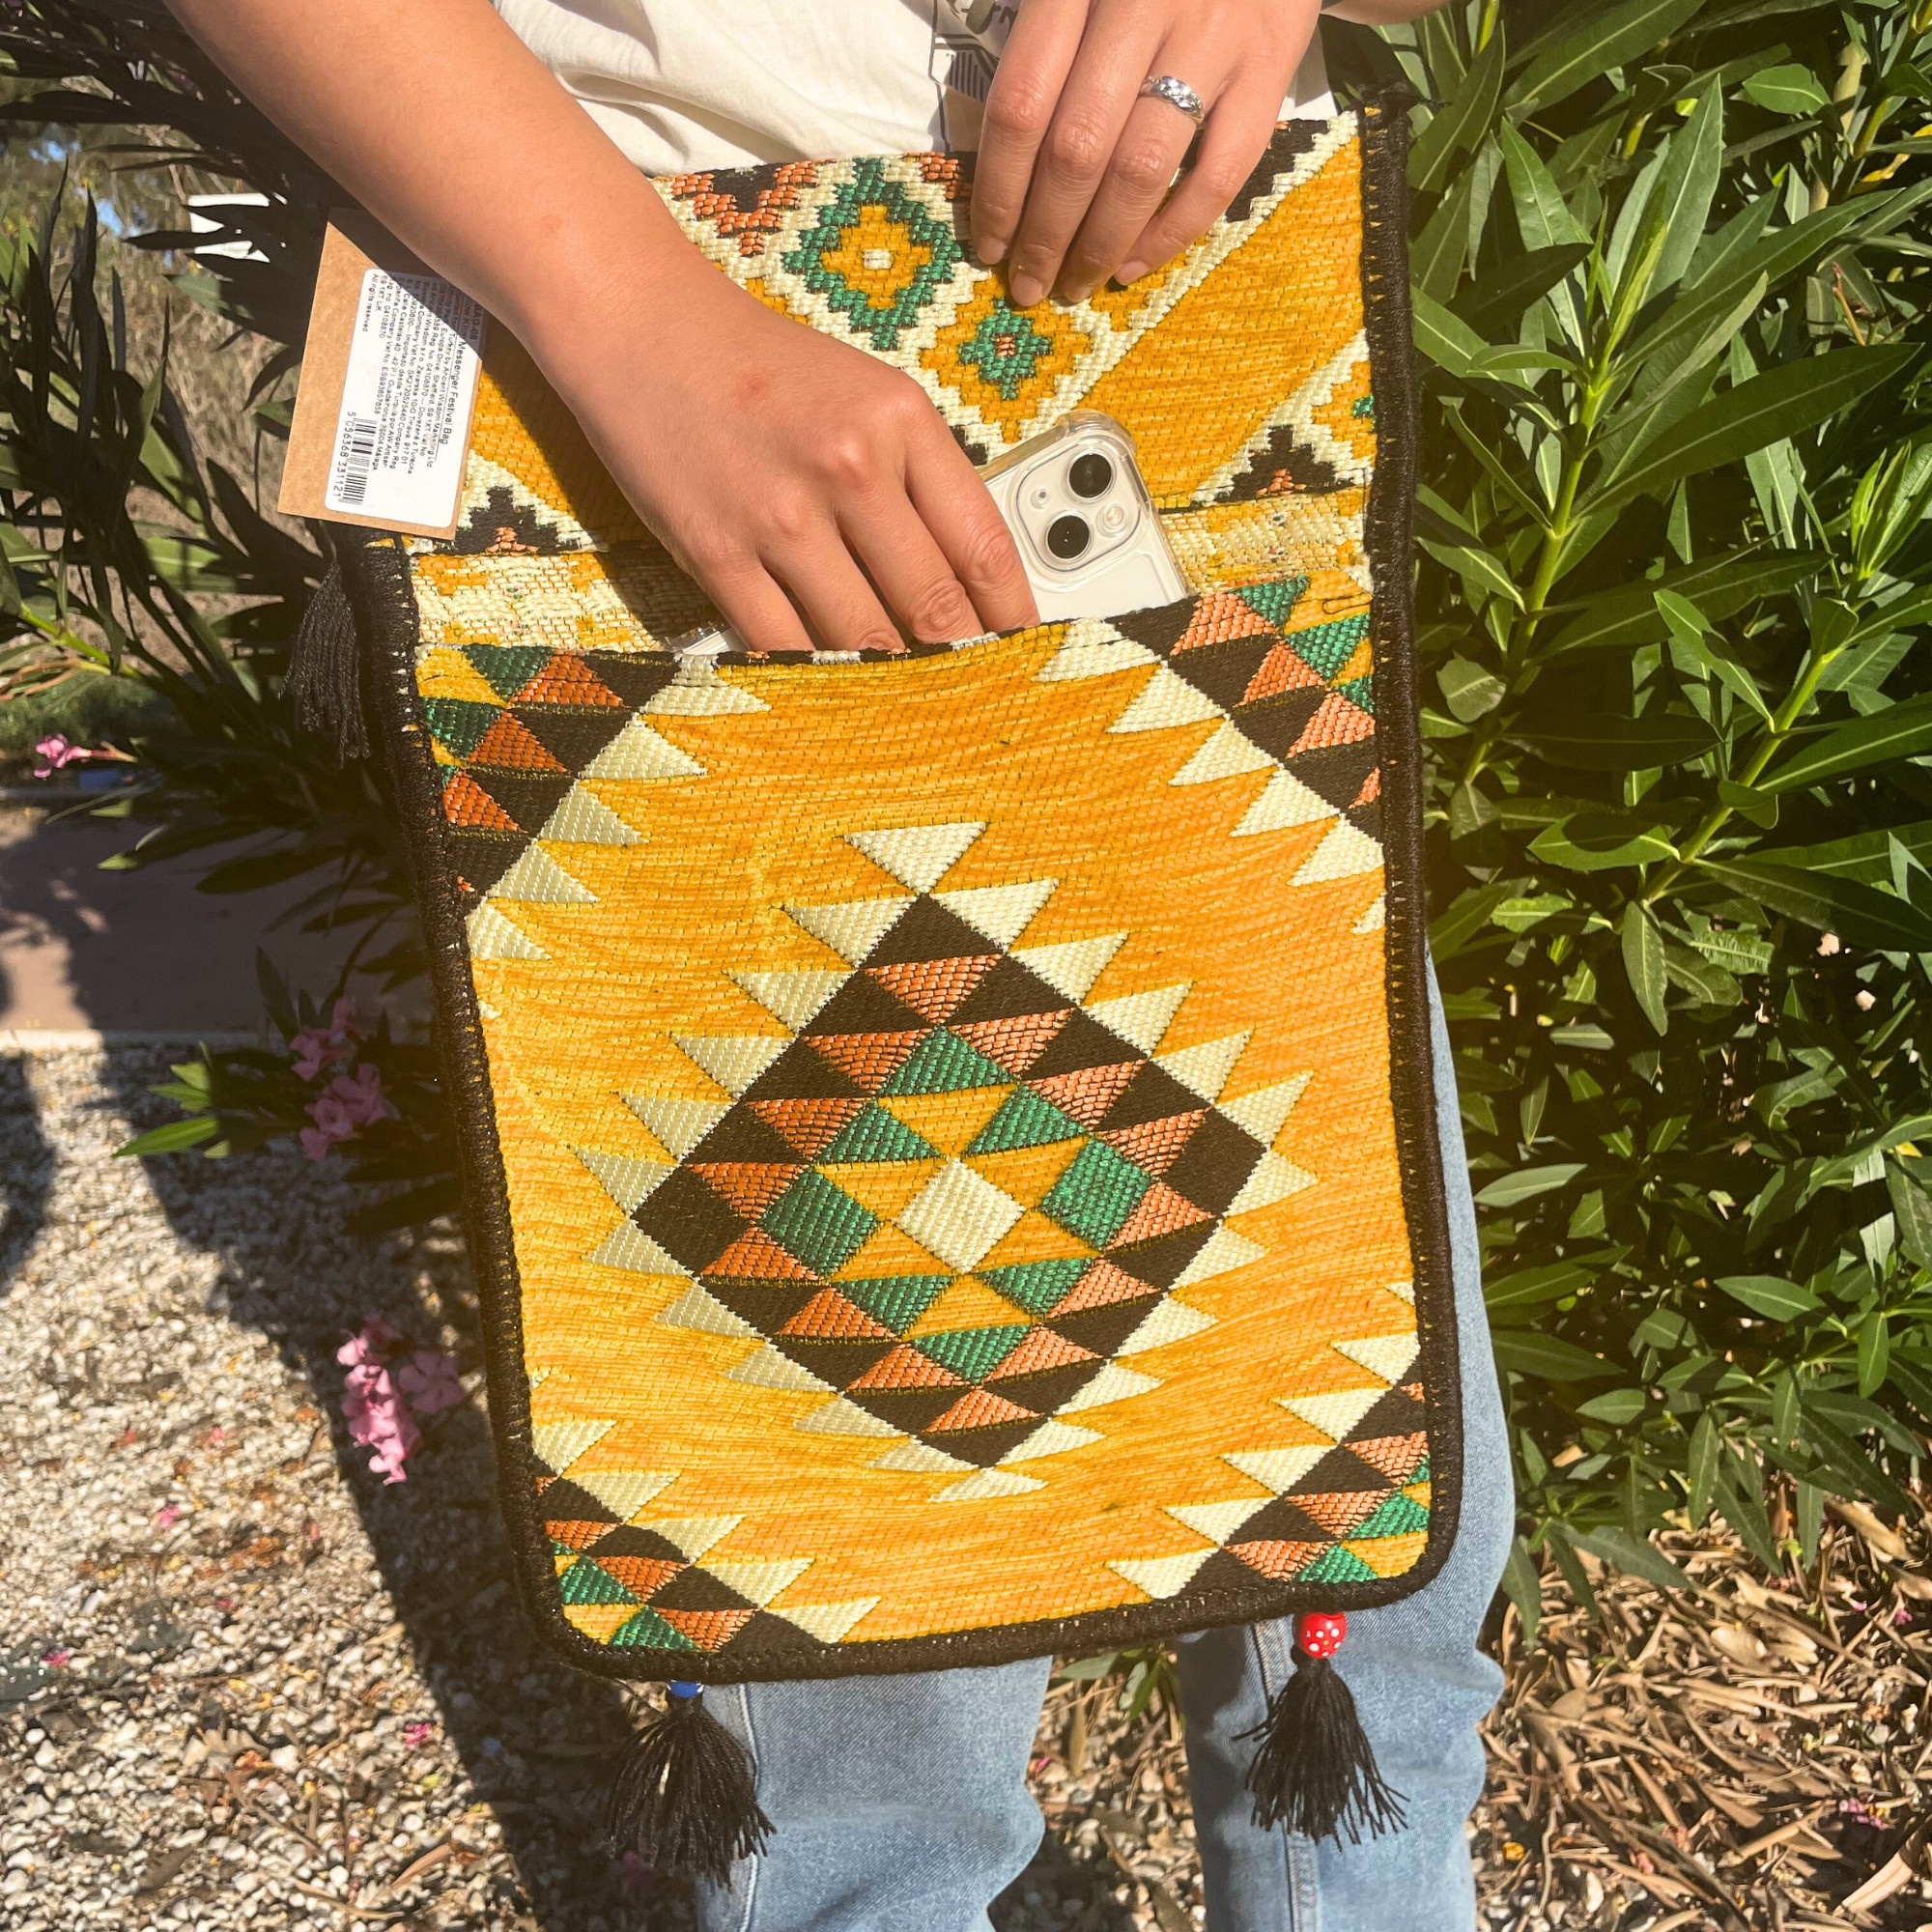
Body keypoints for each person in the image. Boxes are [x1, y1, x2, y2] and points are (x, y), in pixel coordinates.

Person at [161, 2, 1511, 1925]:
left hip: (1208, 326)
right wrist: (624, 307)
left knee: (1375, 1579)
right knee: (856, 1669)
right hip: (687, 356)